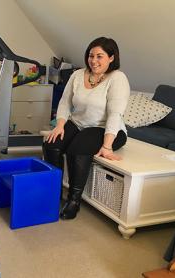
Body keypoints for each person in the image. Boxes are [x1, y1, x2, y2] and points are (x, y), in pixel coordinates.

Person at [43, 37, 130, 220]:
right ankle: (53, 193)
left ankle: (74, 201)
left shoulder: (117, 78)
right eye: (91, 56)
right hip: (78, 123)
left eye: (100, 56)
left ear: (111, 58)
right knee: (52, 143)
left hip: (107, 129)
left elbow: (115, 114)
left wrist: (107, 146)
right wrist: (60, 125)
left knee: (78, 149)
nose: (94, 60)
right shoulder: (77, 75)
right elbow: (65, 102)